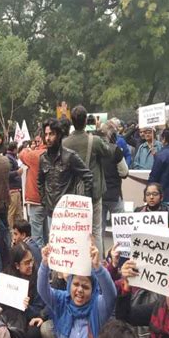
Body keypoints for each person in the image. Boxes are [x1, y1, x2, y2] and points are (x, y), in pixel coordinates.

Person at [37, 243, 117, 338]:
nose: (79, 290)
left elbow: (111, 295)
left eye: (85, 287)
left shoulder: (98, 306)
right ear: (69, 284)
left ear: (93, 290)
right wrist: (45, 264)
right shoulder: (62, 300)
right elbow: (43, 290)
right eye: (76, 284)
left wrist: (98, 268)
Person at [63, 105, 110, 251]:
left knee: (76, 232)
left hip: (73, 196)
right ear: (86, 121)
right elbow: (108, 153)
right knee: (96, 230)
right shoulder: (94, 141)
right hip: (94, 193)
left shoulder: (64, 143)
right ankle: (98, 267)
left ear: (72, 121)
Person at [38, 118, 93, 223]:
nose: (48, 138)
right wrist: (44, 200)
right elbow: (40, 182)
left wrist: (82, 202)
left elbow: (88, 176)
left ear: (59, 135)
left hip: (68, 213)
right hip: (51, 213)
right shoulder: (42, 159)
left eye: (51, 134)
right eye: (46, 135)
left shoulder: (70, 156)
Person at [1, 242, 45, 338]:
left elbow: (40, 309)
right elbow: (1, 307)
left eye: (32, 261)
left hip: (31, 318)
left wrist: (27, 307)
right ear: (16, 265)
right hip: (11, 319)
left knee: (33, 333)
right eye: (26, 263)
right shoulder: (7, 278)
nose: (31, 265)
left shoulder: (38, 277)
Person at [19, 133, 48, 247]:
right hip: (51, 201)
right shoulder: (55, 154)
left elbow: (21, 154)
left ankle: (40, 262)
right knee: (48, 234)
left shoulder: (35, 155)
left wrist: (28, 149)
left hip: (36, 200)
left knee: (37, 237)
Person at [148, 127, 169, 205]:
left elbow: (154, 177)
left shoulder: (162, 156)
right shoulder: (161, 155)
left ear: (164, 139)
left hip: (166, 197)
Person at [6, 141, 23, 229]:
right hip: (13, 190)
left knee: (18, 214)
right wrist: (17, 172)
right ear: (15, 149)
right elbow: (7, 174)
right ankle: (12, 233)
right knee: (12, 213)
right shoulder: (9, 159)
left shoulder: (11, 158)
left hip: (15, 190)